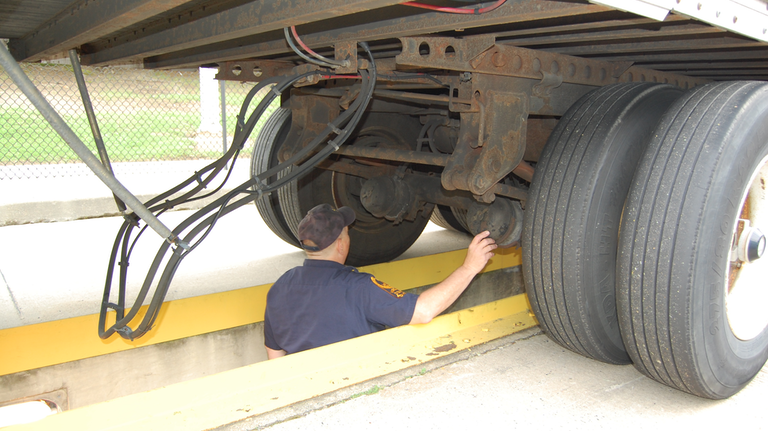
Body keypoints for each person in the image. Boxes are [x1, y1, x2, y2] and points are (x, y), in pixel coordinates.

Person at [263, 203, 497, 359]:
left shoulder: (280, 286)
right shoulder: (359, 288)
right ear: (341, 244)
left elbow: (274, 355)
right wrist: (469, 267)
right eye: (347, 232)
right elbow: (423, 311)